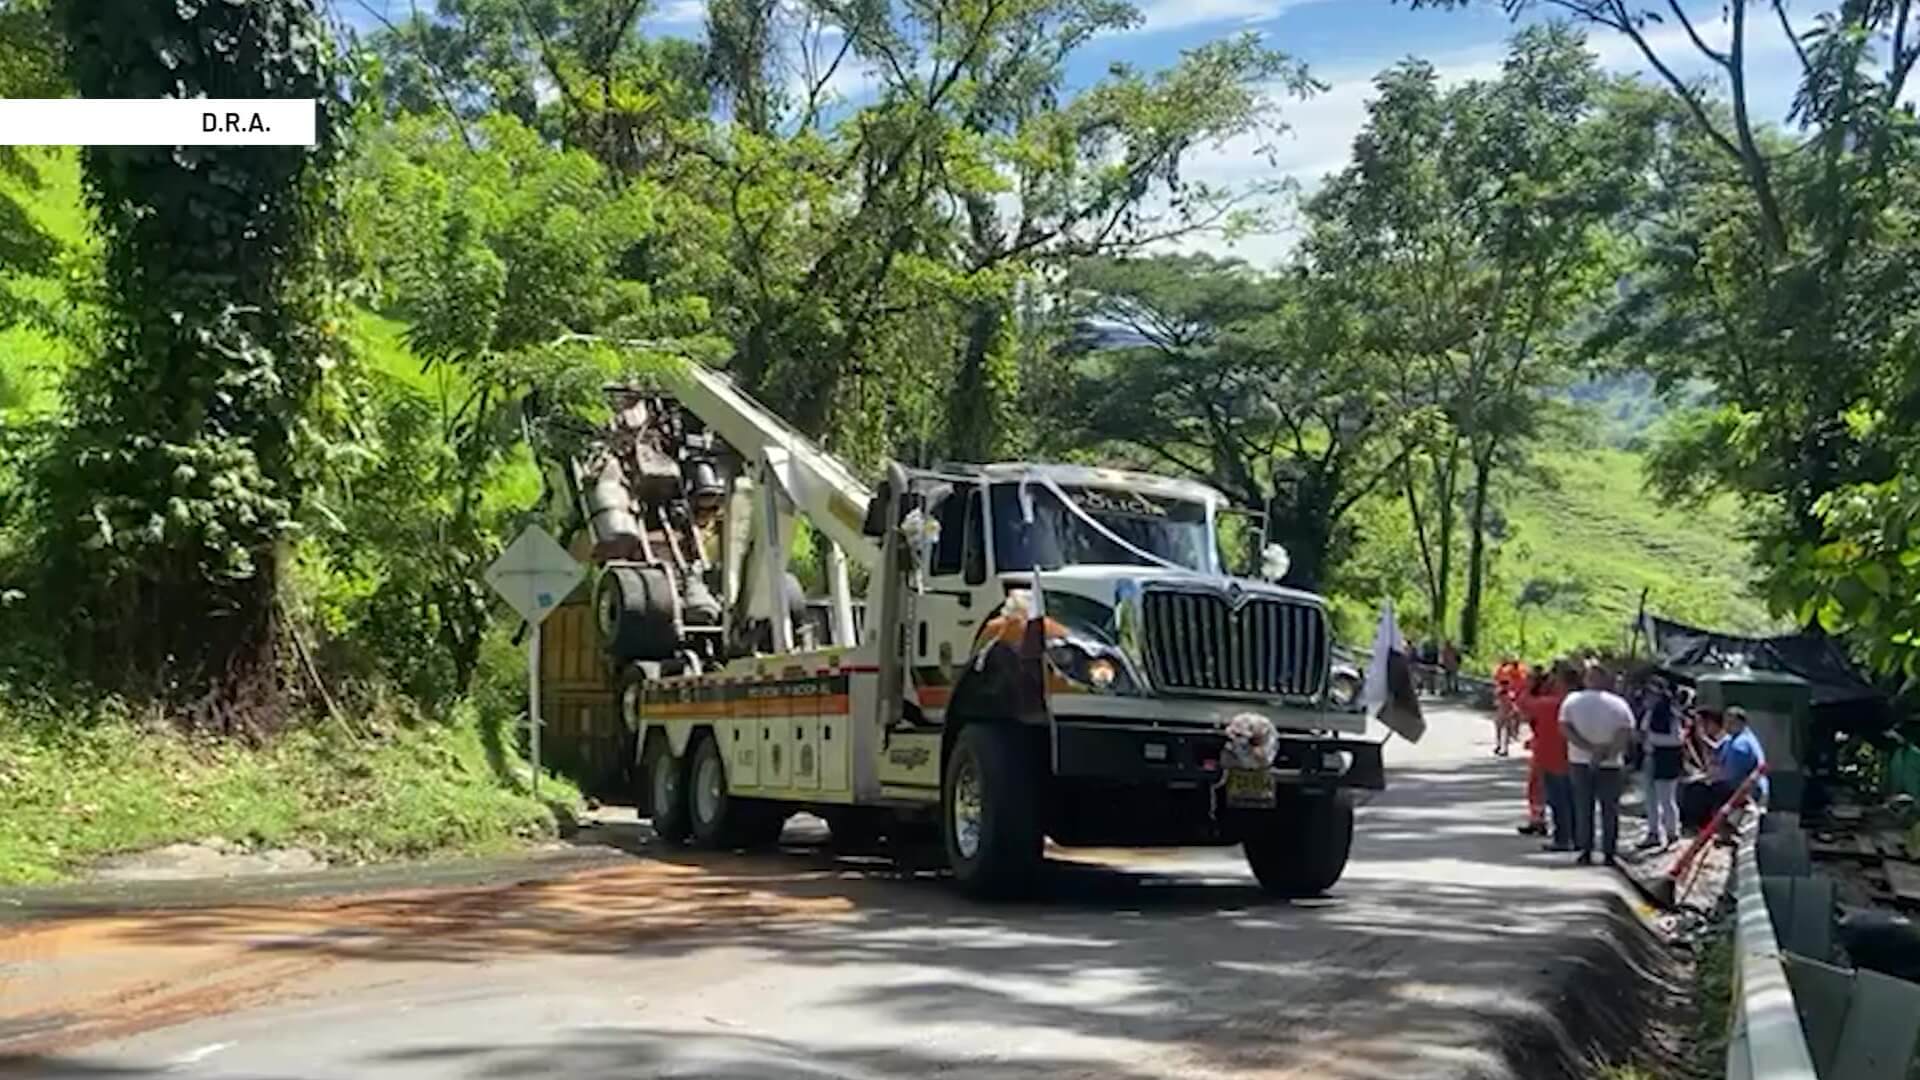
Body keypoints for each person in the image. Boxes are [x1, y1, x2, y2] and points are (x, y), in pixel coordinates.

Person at [1560, 664, 1636, 866]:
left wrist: (1589, 749)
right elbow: (1626, 731)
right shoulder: (1618, 704)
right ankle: (1609, 853)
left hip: (1579, 760)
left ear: (1586, 679)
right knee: (1609, 809)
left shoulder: (1572, 700)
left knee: (1584, 807)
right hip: (1610, 763)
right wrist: (1607, 752)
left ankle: (1585, 850)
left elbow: (1566, 728)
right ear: (1605, 680)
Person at [1518, 663, 1574, 850]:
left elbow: (1524, 704)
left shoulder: (1551, 703)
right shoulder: (1573, 701)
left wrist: (1529, 684)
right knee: (1570, 798)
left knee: (1554, 797)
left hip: (1548, 755)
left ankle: (1560, 837)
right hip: (1573, 755)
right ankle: (1575, 836)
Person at [1708, 706, 1769, 843]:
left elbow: (1731, 774)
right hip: (1739, 785)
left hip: (1749, 790)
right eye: (1726, 722)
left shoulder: (1742, 744)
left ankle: (1728, 830)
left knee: (1712, 791)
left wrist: (1711, 777)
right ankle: (1726, 832)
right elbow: (1717, 749)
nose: (1726, 726)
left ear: (1741, 723)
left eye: (1731, 723)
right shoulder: (1732, 738)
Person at [1637, 678, 1684, 850]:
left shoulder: (1670, 715)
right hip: (1650, 758)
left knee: (1666, 798)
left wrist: (1652, 739)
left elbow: (1677, 740)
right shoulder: (1649, 713)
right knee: (1650, 798)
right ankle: (1653, 832)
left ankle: (1672, 833)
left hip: (1665, 760)